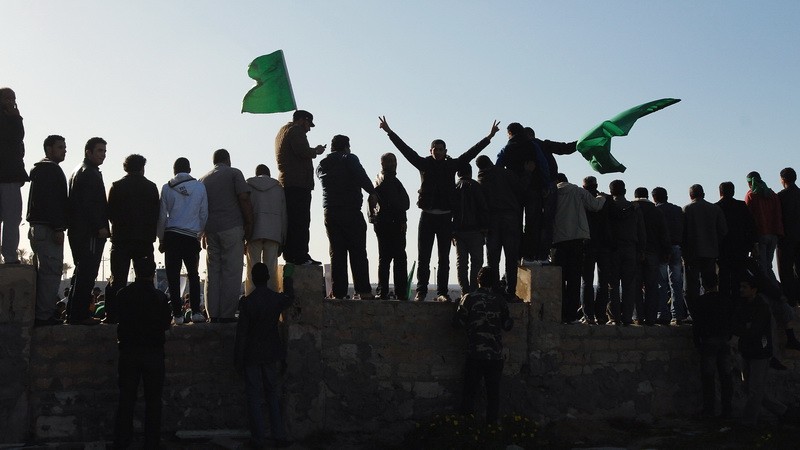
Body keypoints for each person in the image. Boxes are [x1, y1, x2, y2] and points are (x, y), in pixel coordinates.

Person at [379, 116, 500, 302]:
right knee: (424, 257)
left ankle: (442, 292)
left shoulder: (452, 165)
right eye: (435, 149)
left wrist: (489, 137)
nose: (437, 152)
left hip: (445, 218)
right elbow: (406, 150)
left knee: (444, 258)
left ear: (445, 151)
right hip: (427, 217)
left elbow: (470, 153)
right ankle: (421, 291)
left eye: (440, 149)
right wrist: (389, 132)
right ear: (431, 151)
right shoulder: (424, 164)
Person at [113, 257, 172, 449]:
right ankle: (151, 442)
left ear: (135, 271)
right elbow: (166, 324)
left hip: (129, 352)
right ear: (153, 273)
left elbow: (117, 318)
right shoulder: (160, 297)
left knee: (126, 400)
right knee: (153, 401)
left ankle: (123, 441)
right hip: (153, 353)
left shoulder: (123, 295)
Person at [234, 263, 294, 448]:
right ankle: (279, 436)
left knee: (254, 396)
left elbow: (241, 334)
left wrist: (238, 359)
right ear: (268, 278)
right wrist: (288, 275)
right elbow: (290, 298)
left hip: (251, 354)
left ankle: (258, 438)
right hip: (271, 353)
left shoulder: (247, 303)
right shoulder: (275, 299)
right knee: (272, 395)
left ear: (252, 279)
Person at [316, 135, 377, 299]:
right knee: (358, 252)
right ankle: (363, 290)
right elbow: (361, 176)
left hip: (330, 211)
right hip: (350, 210)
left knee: (337, 252)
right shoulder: (349, 158)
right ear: (346, 147)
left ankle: (338, 292)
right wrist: (372, 192)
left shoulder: (322, 164)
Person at [453, 266, 513, 424]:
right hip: (495, 356)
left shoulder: (470, 298)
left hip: (475, 354)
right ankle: (491, 429)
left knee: (469, 394)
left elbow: (458, 323)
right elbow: (507, 325)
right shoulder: (499, 300)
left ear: (477, 280)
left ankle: (466, 428)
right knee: (493, 396)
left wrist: (458, 306)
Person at [200, 149, 253, 322]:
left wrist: (203, 232)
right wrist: (249, 222)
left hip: (211, 230)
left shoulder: (203, 180)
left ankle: (212, 314)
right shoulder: (234, 173)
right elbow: (244, 198)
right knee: (231, 271)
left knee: (212, 273)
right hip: (232, 227)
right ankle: (227, 315)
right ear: (228, 159)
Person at [106, 154, 159, 324]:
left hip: (121, 240)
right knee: (145, 279)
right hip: (144, 240)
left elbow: (110, 213)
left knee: (118, 279)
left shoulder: (116, 186)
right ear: (142, 168)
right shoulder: (151, 187)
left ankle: (114, 315)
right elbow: (156, 213)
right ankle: (146, 314)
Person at [157, 157, 208, 324]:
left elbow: (162, 216)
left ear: (174, 170)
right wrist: (200, 233)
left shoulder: (167, 188)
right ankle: (196, 312)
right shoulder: (200, 187)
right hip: (191, 236)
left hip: (172, 235)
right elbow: (204, 213)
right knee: (193, 275)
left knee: (173, 276)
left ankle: (177, 314)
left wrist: (161, 238)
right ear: (190, 169)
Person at [733, 272, 788, 427]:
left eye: (745, 287)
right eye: (741, 287)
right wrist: (745, 328)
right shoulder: (743, 306)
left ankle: (749, 421)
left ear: (754, 289)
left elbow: (755, 331)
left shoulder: (761, 307)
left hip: (760, 353)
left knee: (755, 390)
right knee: (749, 388)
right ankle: (782, 411)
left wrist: (745, 329)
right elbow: (738, 326)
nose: (741, 290)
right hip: (747, 351)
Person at [551, 173, 606, 324]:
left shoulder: (552, 192)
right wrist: (601, 197)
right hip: (576, 240)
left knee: (559, 280)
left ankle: (560, 314)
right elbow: (595, 206)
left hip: (558, 241)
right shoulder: (577, 191)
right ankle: (571, 315)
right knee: (574, 280)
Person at [66, 137, 109, 326]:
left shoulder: (80, 171)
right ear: (88, 152)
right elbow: (89, 204)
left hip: (80, 230)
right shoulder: (88, 173)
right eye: (99, 150)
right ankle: (80, 315)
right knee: (87, 273)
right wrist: (100, 226)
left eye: (104, 151)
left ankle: (73, 312)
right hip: (88, 232)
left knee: (81, 272)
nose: (103, 155)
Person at [275, 110, 325, 266]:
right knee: (300, 222)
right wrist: (316, 151)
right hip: (298, 184)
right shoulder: (296, 131)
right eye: (308, 124)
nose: (309, 129)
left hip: (288, 183)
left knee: (292, 222)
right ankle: (300, 255)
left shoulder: (283, 131)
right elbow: (302, 151)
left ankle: (292, 254)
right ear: (303, 120)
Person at [27, 135, 68, 326]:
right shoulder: (50, 170)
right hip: (48, 228)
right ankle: (44, 315)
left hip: (38, 228)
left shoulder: (41, 170)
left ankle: (42, 313)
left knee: (43, 273)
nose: (64, 150)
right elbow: (52, 202)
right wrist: (58, 227)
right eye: (60, 147)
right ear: (49, 149)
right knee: (50, 272)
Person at [495, 123, 550, 262]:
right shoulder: (533, 146)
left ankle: (518, 255)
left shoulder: (507, 148)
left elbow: (498, 168)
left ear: (510, 133)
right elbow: (543, 165)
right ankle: (530, 255)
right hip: (534, 188)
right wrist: (545, 185)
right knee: (533, 223)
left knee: (516, 224)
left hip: (514, 192)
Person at [476, 155, 528, 299]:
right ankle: (510, 292)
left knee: (493, 259)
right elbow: (521, 189)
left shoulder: (481, 179)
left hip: (491, 221)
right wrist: (528, 173)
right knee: (511, 258)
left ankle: (495, 290)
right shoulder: (506, 173)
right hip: (510, 218)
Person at [523, 126, 577, 260]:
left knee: (532, 222)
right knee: (548, 223)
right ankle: (543, 256)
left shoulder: (522, 148)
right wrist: (581, 142)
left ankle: (531, 255)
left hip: (532, 188)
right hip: (550, 185)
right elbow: (566, 148)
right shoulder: (545, 144)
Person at [370, 152, 410, 300]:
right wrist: (402, 220)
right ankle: (398, 292)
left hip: (385, 223)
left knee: (386, 258)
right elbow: (402, 203)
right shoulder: (387, 180)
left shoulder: (383, 180)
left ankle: (384, 291)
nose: (393, 164)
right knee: (397, 258)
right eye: (390, 161)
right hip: (391, 224)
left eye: (394, 161)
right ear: (383, 164)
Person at [691, 278, 734, 419]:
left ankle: (709, 410)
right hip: (724, 340)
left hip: (708, 341)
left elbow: (697, 324)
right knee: (726, 376)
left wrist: (697, 342)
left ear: (704, 285)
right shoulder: (725, 300)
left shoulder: (700, 302)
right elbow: (731, 319)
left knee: (708, 377)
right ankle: (727, 409)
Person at [682, 184, 727, 315]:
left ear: (691, 196)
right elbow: (723, 230)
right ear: (704, 194)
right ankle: (711, 311)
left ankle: (695, 313)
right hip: (710, 252)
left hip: (692, 253)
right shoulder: (715, 209)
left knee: (691, 286)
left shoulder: (687, 209)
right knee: (710, 284)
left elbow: (682, 233)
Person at [606, 180, 646, 326]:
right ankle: (628, 317)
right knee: (629, 285)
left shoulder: (608, 207)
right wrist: (641, 250)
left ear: (611, 191)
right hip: (630, 249)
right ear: (625, 191)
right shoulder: (634, 208)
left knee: (613, 285)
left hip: (613, 250)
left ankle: (614, 317)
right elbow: (641, 231)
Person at [245, 164, 286, 294]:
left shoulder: (248, 186)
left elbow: (244, 211)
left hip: (253, 232)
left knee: (252, 268)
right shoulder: (278, 188)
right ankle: (272, 298)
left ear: (256, 174)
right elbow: (284, 215)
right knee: (271, 269)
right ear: (269, 174)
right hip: (273, 233)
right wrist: (282, 238)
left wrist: (244, 237)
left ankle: (251, 297)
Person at [631, 187, 670, 326]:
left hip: (635, 252)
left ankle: (638, 316)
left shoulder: (631, 209)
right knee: (652, 286)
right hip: (653, 252)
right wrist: (666, 252)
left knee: (635, 285)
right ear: (648, 196)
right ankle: (651, 317)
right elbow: (664, 234)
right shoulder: (656, 211)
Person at [715, 182, 757, 304]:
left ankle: (724, 303)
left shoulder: (716, 207)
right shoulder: (742, 206)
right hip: (740, 248)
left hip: (722, 249)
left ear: (720, 192)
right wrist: (752, 245)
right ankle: (739, 303)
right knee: (739, 277)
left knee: (723, 278)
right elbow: (751, 226)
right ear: (733, 192)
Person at [0, 87, 28, 263]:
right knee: (11, 218)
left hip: (11, 176)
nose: (11, 101)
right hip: (7, 177)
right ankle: (9, 256)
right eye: (7, 98)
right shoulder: (9, 120)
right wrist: (15, 118)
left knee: (12, 219)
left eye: (13, 98)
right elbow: (15, 137)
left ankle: (10, 255)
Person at [651, 187, 687, 325]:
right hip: (676, 247)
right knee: (676, 283)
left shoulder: (655, 211)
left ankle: (663, 313)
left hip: (661, 250)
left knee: (661, 283)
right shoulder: (677, 209)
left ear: (654, 198)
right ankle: (677, 314)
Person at [580, 176, 613, 324]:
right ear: (596, 185)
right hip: (604, 243)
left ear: (584, 187)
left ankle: (588, 315)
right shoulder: (606, 200)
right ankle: (601, 315)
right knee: (603, 281)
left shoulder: (581, 200)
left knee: (586, 281)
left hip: (587, 243)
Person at [451, 163, 488, 297]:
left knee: (461, 263)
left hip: (459, 232)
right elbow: (483, 208)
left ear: (458, 173)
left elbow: (451, 210)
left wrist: (452, 231)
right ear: (470, 172)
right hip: (476, 231)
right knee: (476, 262)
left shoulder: (454, 187)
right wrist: (484, 229)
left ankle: (465, 291)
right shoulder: (477, 186)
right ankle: (474, 290)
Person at [745, 171, 783, 287]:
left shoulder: (751, 195)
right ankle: (776, 290)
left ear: (750, 183)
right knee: (768, 266)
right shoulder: (773, 195)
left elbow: (748, 218)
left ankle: (769, 291)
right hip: (774, 235)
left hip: (760, 235)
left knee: (762, 268)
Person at [777, 167, 800, 307]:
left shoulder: (780, 196)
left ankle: (790, 301)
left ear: (783, 179)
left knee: (785, 270)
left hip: (786, 238)